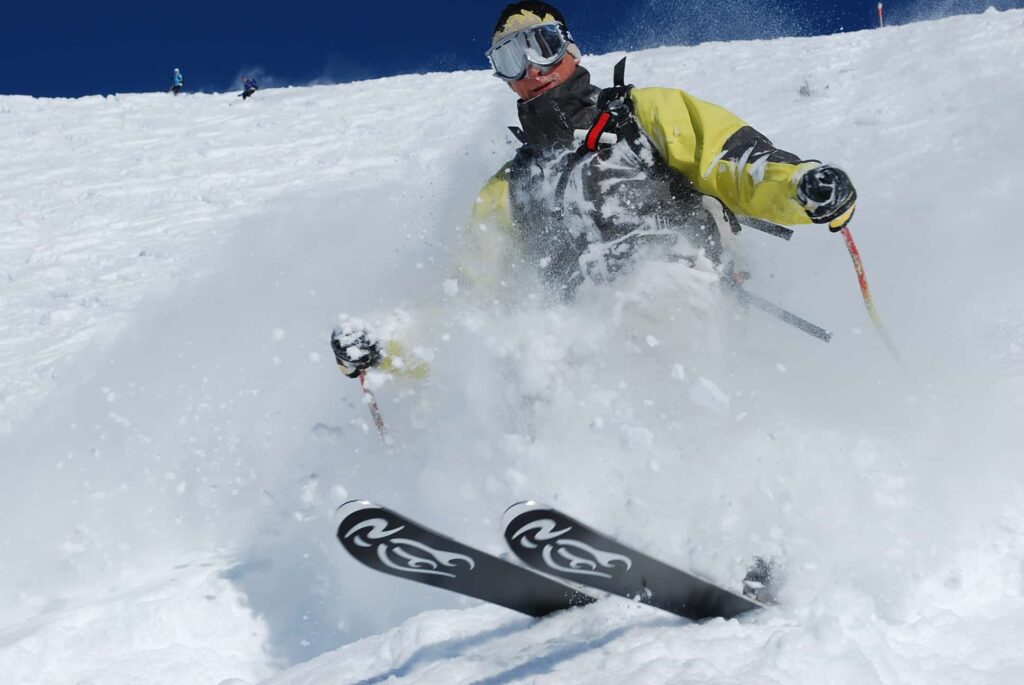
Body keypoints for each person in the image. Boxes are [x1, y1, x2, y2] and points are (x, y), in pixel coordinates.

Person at [333, 0, 857, 379]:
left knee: (653, 297)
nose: (532, 70)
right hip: (577, 323)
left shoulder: (642, 115)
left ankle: (685, 461)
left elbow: (732, 161)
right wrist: (390, 344)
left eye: (542, 47)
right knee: (526, 355)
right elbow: (471, 299)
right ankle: (539, 501)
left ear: (571, 49)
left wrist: (800, 185)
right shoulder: (507, 190)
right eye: (510, 60)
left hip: (680, 285)